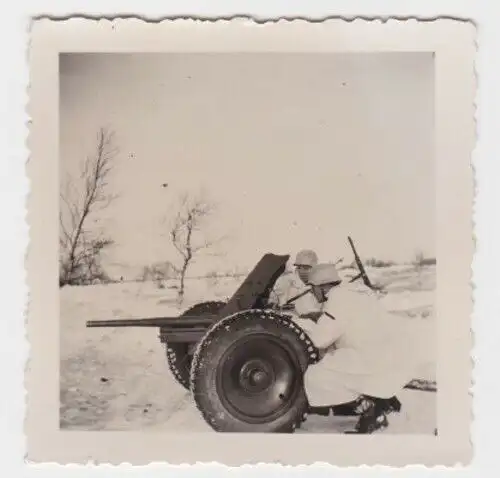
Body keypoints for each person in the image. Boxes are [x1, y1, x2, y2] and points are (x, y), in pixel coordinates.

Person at [301, 263, 421, 433]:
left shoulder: (337, 299)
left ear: (321, 287)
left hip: (370, 358)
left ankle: (368, 409)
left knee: (316, 375)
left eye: (312, 288)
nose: (312, 293)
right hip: (390, 353)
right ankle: (384, 402)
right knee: (349, 365)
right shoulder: (356, 291)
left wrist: (311, 322)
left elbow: (320, 340)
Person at [269, 249, 321, 319]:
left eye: (308, 268)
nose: (304, 271)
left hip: (312, 324)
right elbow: (274, 304)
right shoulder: (285, 280)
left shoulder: (317, 285)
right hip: (288, 322)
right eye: (301, 268)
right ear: (297, 267)